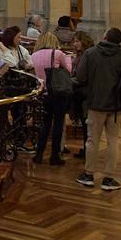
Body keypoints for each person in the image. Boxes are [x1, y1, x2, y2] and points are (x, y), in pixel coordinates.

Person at [74, 27, 121, 191]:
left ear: (105, 37)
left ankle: (89, 174)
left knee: (92, 140)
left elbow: (80, 77)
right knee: (113, 141)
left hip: (96, 103)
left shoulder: (91, 53)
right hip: (116, 106)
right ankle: (108, 178)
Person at [30, 31, 73, 165]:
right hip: (58, 93)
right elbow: (68, 70)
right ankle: (55, 155)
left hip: (43, 93)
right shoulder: (58, 53)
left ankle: (39, 154)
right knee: (58, 124)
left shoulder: (34, 55)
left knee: (45, 124)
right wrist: (68, 58)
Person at [69, 31, 96, 159]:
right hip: (79, 93)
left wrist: (69, 81)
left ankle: (88, 151)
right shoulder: (80, 55)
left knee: (87, 124)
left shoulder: (88, 55)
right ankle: (86, 149)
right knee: (84, 123)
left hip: (85, 93)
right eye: (74, 41)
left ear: (83, 41)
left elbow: (82, 77)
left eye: (77, 41)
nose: (74, 44)